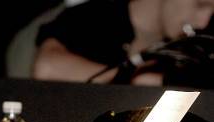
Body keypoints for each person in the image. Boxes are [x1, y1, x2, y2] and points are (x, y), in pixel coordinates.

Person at [32, 0, 214, 85]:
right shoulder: (95, 15)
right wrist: (138, 80)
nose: (204, 21)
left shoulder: (196, 47)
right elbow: (47, 68)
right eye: (200, 4)